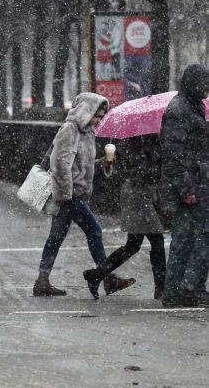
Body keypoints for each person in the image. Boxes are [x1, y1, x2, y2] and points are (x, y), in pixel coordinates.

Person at [33, 92, 134, 297]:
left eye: (101, 116)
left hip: (72, 193)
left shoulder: (88, 133)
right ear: (86, 110)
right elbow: (60, 164)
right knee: (94, 230)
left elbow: (82, 166)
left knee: (56, 237)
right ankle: (105, 277)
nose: (98, 120)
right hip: (70, 195)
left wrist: (104, 164)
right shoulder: (70, 129)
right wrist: (64, 196)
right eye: (96, 114)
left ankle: (42, 281)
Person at [82, 136, 166, 299]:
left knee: (133, 245)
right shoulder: (141, 142)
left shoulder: (142, 140)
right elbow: (141, 171)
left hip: (139, 194)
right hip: (138, 196)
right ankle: (161, 289)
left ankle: (96, 275)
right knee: (156, 241)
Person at [159, 63, 209, 307]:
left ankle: (180, 291)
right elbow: (174, 155)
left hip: (197, 183)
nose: (207, 90)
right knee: (191, 239)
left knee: (190, 239)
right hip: (191, 186)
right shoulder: (179, 110)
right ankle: (186, 289)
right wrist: (186, 188)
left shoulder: (192, 106)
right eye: (204, 85)